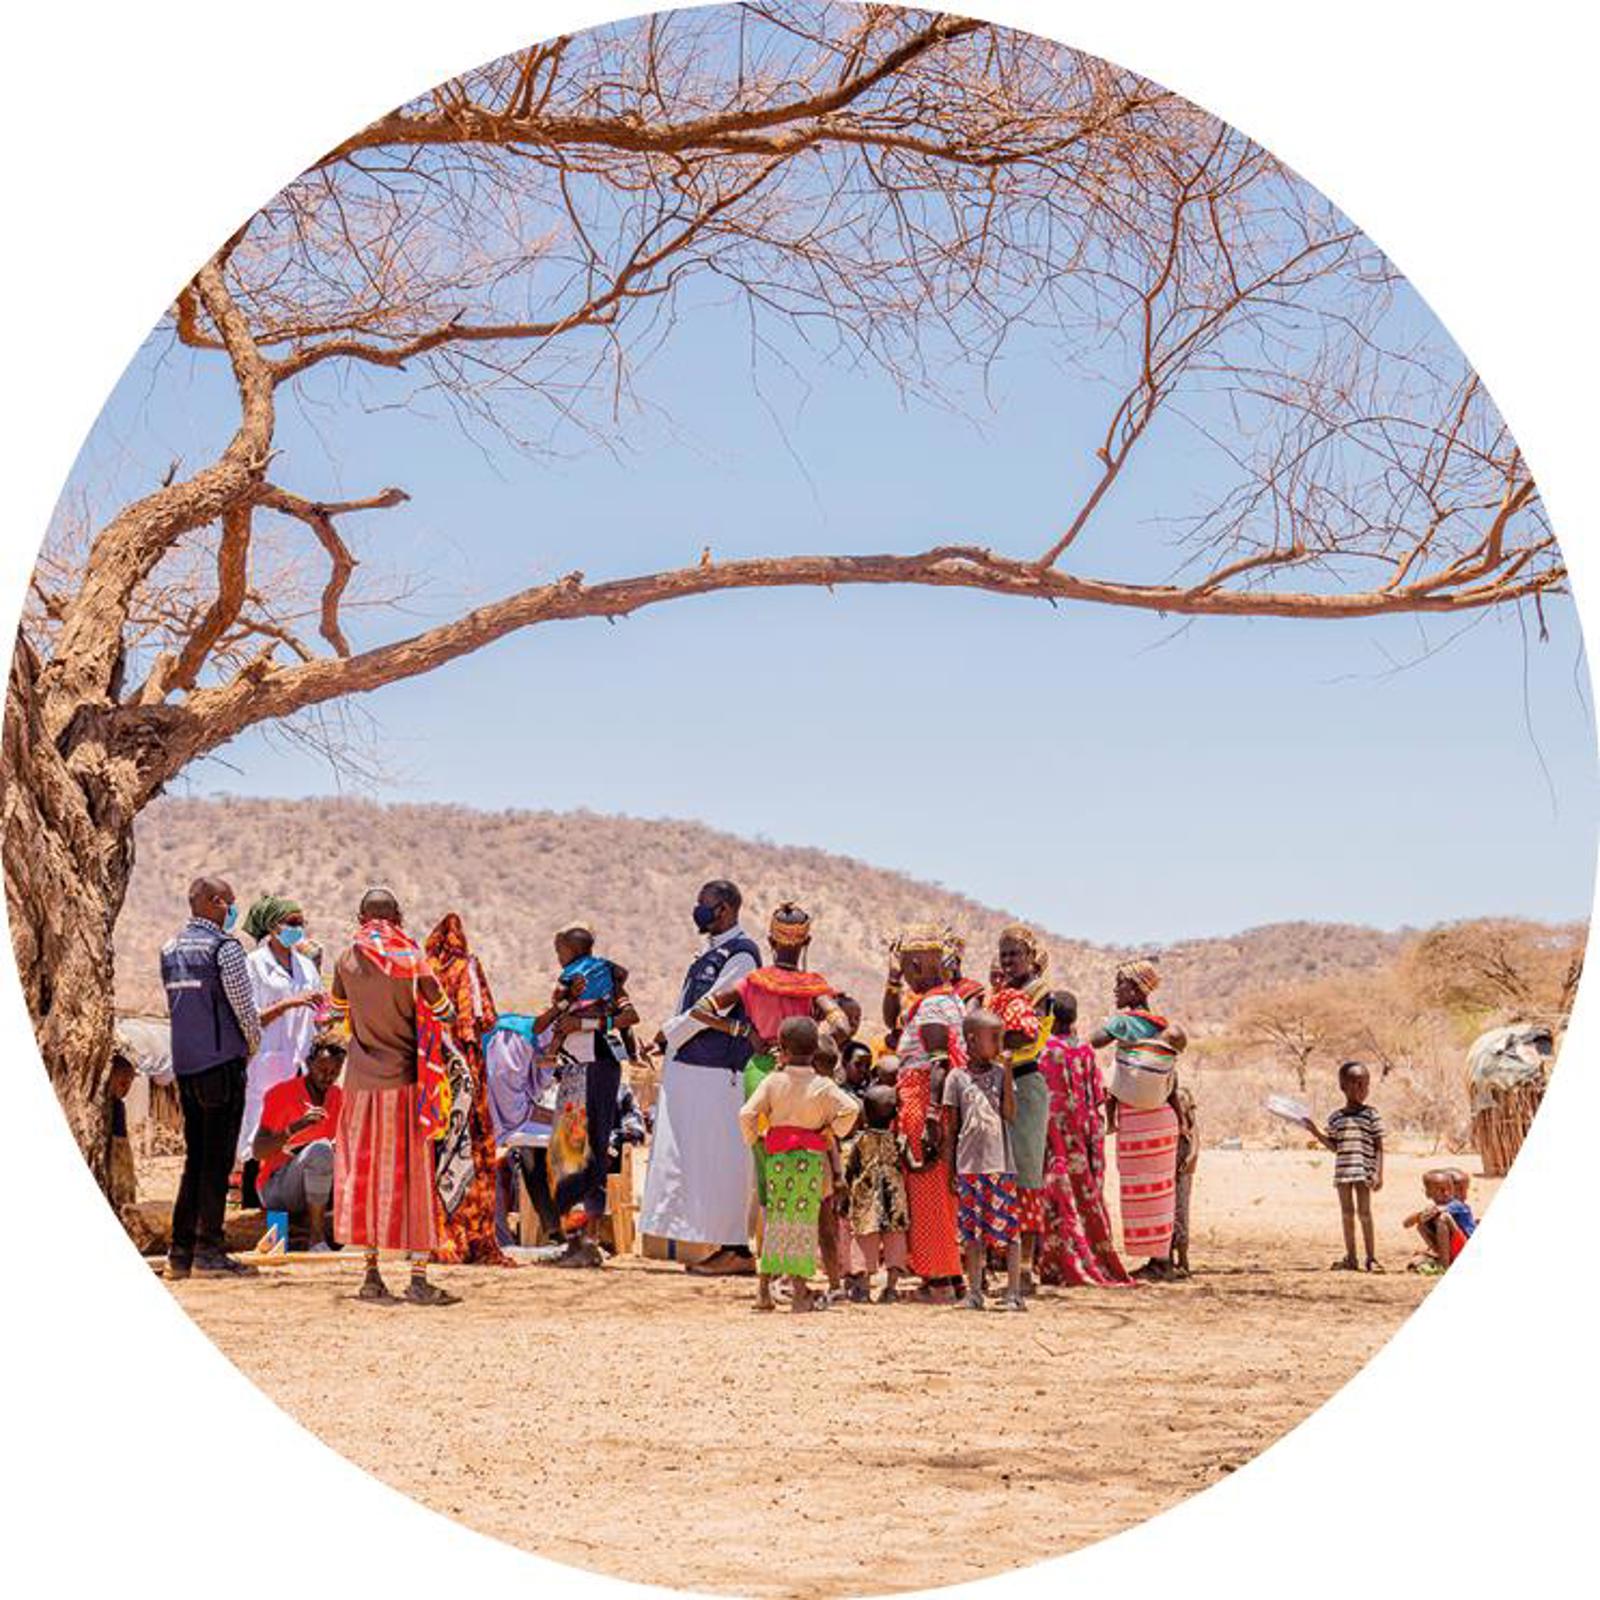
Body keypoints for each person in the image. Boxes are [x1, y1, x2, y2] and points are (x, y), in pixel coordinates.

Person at [693, 901, 850, 1306]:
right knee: (806, 1178)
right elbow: (842, 1024)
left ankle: (773, 1278)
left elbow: (702, 1009)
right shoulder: (814, 986)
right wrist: (804, 1037)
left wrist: (743, 1029)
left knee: (769, 1182)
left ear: (769, 939)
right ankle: (797, 1277)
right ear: (807, 941)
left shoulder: (753, 981)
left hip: (760, 1073)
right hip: (802, 1072)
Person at [327, 887, 460, 1305]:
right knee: (413, 1177)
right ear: (399, 916)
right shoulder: (412, 960)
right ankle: (418, 1278)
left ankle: (371, 1275)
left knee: (365, 1176)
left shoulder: (346, 960)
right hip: (407, 1086)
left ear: (360, 917)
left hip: (361, 1086)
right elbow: (444, 1012)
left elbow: (336, 1009)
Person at [640, 880, 763, 1277]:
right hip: (690, 1070)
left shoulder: (743, 955)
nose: (699, 911)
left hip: (716, 1074)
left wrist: (667, 1032)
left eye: (703, 905)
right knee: (689, 1157)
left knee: (723, 1159)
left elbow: (714, 1010)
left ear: (724, 908)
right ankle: (708, 1240)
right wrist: (669, 1040)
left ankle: (735, 1247)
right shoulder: (710, 953)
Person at [160, 875, 262, 1279]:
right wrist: (250, 1046)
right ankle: (209, 1251)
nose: (233, 911)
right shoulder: (225, 948)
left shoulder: (170, 949)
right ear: (214, 902)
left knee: (195, 1159)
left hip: (186, 1065)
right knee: (217, 1162)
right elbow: (242, 1007)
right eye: (230, 904)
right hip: (222, 1065)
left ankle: (179, 1253)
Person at [738, 1015, 860, 1313]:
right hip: (810, 1161)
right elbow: (851, 1109)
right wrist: (830, 1131)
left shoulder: (773, 1081)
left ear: (782, 1048)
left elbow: (746, 1114)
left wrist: (755, 1139)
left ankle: (764, 1290)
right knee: (804, 1222)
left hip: (778, 1159)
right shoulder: (821, 1085)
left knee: (779, 1219)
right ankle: (800, 1291)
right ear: (814, 1050)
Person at [535, 922, 639, 1267]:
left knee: (572, 1153)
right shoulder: (609, 975)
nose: (558, 957)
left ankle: (581, 1244)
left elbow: (628, 1017)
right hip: (598, 1070)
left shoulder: (571, 979)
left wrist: (583, 1024)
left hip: (588, 1072)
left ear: (571, 949)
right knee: (585, 1151)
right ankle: (583, 1242)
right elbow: (626, 1013)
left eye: (559, 950)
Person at [1091, 957, 1187, 1282]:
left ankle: (1157, 1261)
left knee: (1139, 1192)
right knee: (1161, 1191)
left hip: (1136, 1120)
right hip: (1163, 1118)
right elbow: (1171, 1078)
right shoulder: (1162, 1025)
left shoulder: (1125, 1022)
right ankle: (1163, 1259)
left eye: (1120, 984)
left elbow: (1093, 1041)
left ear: (1134, 989)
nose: (1115, 989)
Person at [885, 924, 967, 1302]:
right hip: (926, 1099)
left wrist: (932, 1115)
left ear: (917, 963)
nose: (903, 974)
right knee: (936, 1189)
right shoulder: (946, 999)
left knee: (927, 1189)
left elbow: (937, 1063)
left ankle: (937, 1282)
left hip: (924, 1100)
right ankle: (948, 1275)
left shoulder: (934, 1005)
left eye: (904, 966)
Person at [426, 913, 512, 1266]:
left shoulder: (423, 967)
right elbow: (483, 1019)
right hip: (465, 1068)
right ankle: (473, 1235)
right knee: (471, 1148)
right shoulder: (467, 968)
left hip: (432, 1069)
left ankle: (439, 1233)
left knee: (437, 1149)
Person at [1035, 992, 1132, 1287]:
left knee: (1059, 1197)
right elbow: (1097, 1095)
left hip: (1058, 1135)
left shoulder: (1048, 1050)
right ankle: (1095, 1255)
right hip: (1088, 1131)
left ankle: (1062, 1262)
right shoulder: (1086, 1050)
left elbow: (1046, 1097)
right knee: (1089, 1196)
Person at [943, 1009, 1025, 1311]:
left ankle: (1014, 1293)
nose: (1002, 1044)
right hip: (968, 1168)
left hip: (1000, 1165)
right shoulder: (956, 1077)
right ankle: (974, 1292)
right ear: (973, 1040)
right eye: (996, 1038)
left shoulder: (1001, 1074)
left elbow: (1010, 1114)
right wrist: (951, 1168)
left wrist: (1007, 1070)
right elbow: (951, 1128)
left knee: (1008, 1232)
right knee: (971, 1234)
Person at [240, 895, 323, 1186]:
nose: (298, 929)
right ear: (274, 927)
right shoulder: (254, 964)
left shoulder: (306, 966)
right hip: (267, 1056)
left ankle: (284, 1187)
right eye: (292, 923)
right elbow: (251, 1016)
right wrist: (289, 1003)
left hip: (299, 1058)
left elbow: (317, 1010)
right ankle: (253, 1191)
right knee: (258, 1123)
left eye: (301, 923)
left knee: (294, 1123)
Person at [989, 924, 1053, 1292]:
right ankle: (1008, 1265)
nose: (1009, 960)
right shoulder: (1001, 993)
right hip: (998, 1084)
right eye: (1004, 954)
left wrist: (985, 1039)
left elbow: (1024, 1036)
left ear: (1030, 956)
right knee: (1001, 1173)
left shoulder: (1040, 993)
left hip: (1025, 1084)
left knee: (1026, 1174)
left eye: (1015, 954)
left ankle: (1025, 1269)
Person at [253, 1032, 345, 1250]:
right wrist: (295, 1128)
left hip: (319, 1188)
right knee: (320, 1151)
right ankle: (316, 1238)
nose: (327, 1077)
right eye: (322, 1070)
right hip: (277, 1187)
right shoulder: (281, 1094)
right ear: (309, 1063)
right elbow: (258, 1151)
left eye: (334, 1072)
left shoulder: (339, 1098)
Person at [482, 1013, 562, 1245]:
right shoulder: (510, 1044)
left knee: (533, 1157)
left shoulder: (531, 1046)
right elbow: (511, 1110)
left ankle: (553, 1231)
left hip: (508, 1125)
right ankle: (500, 1238)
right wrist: (562, 1119)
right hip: (483, 1121)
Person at [1302, 1060, 1385, 1272]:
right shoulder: (1336, 1118)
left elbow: (1379, 1147)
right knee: (1347, 1214)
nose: (1361, 1090)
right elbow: (1335, 1147)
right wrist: (1315, 1132)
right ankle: (1351, 1258)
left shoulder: (1371, 1114)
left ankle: (1371, 1258)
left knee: (1365, 1214)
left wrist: (1378, 1172)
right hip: (1343, 1173)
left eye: (1364, 1085)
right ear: (1343, 1087)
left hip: (1364, 1172)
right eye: (1355, 1084)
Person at [839, 1083, 911, 1303]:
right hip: (894, 1199)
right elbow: (913, 1165)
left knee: (863, 1240)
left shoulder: (859, 1141)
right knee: (895, 1241)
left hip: (865, 1199)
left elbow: (850, 1169)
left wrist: (844, 1197)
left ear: (865, 1114)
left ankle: (863, 1287)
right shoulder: (899, 1140)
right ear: (895, 1114)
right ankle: (891, 1288)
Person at [1404, 1169, 1475, 1272]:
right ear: (1428, 1193)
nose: (1446, 1193)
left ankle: (1444, 1266)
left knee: (1444, 1218)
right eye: (1441, 1190)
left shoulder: (1458, 1205)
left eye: (1449, 1189)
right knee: (1422, 1224)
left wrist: (1428, 1212)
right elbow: (1406, 1224)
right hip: (1454, 1249)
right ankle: (1441, 1257)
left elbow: (1438, 1210)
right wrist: (1419, 1216)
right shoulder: (1440, 1206)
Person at [1171, 1076, 1198, 1278]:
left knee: (1181, 1210)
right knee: (1169, 1212)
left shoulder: (1190, 1126)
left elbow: (1195, 1140)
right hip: (1169, 1167)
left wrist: (1190, 1157)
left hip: (1181, 1168)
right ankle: (1169, 1258)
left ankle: (1183, 1258)